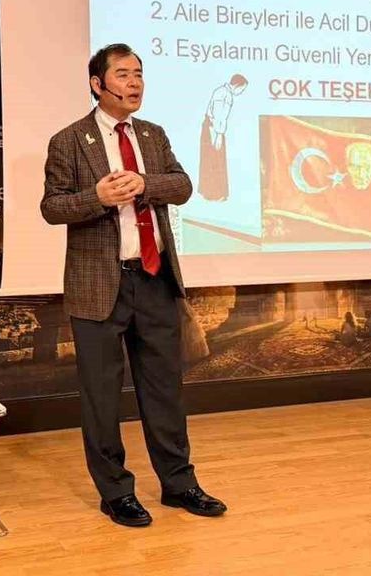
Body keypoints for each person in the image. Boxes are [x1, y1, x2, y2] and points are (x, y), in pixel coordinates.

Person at [41, 43, 227, 528]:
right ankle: (116, 492)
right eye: (122, 74)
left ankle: (179, 483)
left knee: (165, 390)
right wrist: (97, 196)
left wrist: (145, 183)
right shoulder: (69, 140)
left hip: (154, 279)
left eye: (139, 73)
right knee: (102, 396)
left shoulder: (152, 135)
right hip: (98, 286)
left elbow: (182, 185)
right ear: (97, 84)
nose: (134, 82)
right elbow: (52, 207)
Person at [198, 74, 247, 201]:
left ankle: (210, 192)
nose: (241, 92)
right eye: (242, 89)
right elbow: (219, 116)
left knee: (212, 159)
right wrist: (218, 135)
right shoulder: (224, 94)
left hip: (213, 128)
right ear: (237, 85)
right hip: (213, 129)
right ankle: (214, 194)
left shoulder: (223, 92)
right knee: (215, 160)